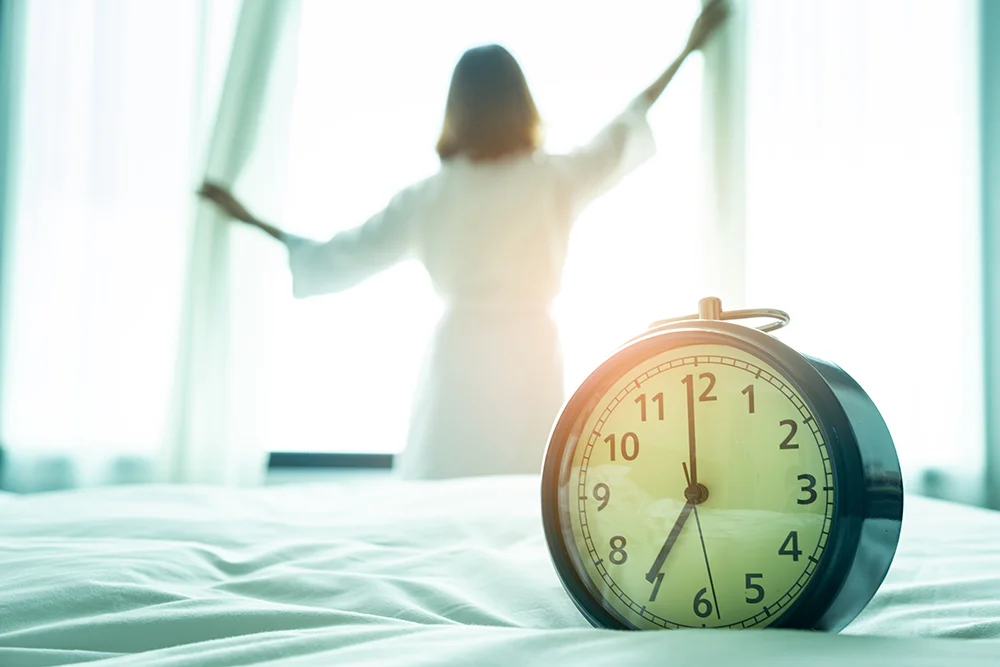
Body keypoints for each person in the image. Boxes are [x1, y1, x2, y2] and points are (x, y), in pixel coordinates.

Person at [198, 1, 730, 480]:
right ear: (522, 102)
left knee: (444, 490)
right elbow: (625, 125)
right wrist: (687, 48)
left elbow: (339, 253)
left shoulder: (432, 196)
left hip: (461, 359)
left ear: (458, 107)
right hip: (530, 353)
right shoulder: (553, 179)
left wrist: (248, 219)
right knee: (528, 495)